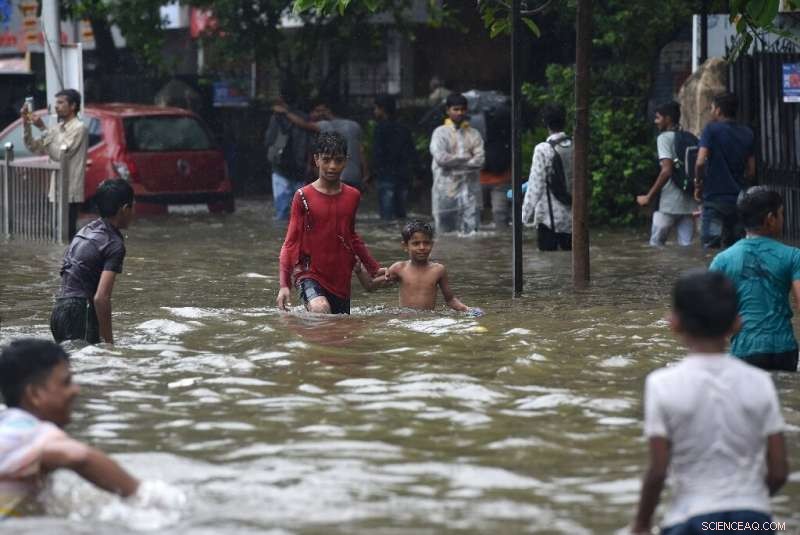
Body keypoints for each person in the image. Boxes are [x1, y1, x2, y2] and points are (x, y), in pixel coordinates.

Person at [631, 270, 788, 535]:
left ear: (674, 323)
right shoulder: (760, 382)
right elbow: (779, 472)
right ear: (737, 324)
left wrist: (642, 524)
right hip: (753, 520)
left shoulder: (662, 383)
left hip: (689, 519)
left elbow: (658, 472)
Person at [0, 338, 139, 517]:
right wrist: (146, 496)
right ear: (34, 394)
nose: (76, 390)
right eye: (66, 382)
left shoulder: (8, 425)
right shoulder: (31, 432)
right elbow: (78, 456)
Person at [277, 132, 383, 314]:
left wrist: (374, 268)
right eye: (326, 160)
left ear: (346, 161)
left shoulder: (353, 195)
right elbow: (291, 242)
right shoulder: (302, 196)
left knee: (338, 331)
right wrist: (284, 284)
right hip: (309, 272)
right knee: (321, 308)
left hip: (340, 276)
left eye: (338, 160)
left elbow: (351, 236)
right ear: (316, 160)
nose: (332, 167)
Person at [708, 187, 800, 372]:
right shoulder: (793, 256)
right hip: (784, 348)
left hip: (744, 349)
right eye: (781, 214)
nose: (783, 219)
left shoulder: (723, 260)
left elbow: (710, 312)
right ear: (770, 219)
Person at [49, 178, 135, 345]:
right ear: (125, 209)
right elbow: (101, 298)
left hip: (58, 310)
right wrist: (109, 344)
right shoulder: (113, 243)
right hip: (80, 312)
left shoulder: (86, 230)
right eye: (133, 206)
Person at [359, 220, 478, 314]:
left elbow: (450, 300)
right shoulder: (399, 269)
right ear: (405, 246)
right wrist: (359, 270)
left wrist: (468, 310)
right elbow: (370, 286)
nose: (422, 247)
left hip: (428, 321)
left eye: (426, 243)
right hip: (404, 320)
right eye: (416, 244)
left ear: (432, 244)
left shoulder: (438, 270)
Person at [21, 88, 89, 240]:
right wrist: (25, 124)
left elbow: (60, 154)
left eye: (60, 102)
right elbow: (33, 147)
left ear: (73, 106)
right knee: (55, 234)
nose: (56, 106)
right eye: (56, 102)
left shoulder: (79, 129)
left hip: (70, 191)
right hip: (55, 190)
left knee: (66, 236)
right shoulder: (56, 129)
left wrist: (42, 128)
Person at [694, 92, 756, 249]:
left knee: (710, 248)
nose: (711, 111)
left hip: (715, 202)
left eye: (712, 108)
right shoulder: (747, 133)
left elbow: (700, 162)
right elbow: (751, 171)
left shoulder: (711, 130)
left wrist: (698, 182)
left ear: (719, 110)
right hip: (738, 203)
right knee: (735, 250)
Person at [636, 101, 697, 246]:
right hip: (688, 204)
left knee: (656, 246)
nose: (655, 121)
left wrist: (649, 197)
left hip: (667, 204)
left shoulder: (663, 138)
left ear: (668, 118)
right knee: (686, 249)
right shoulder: (689, 137)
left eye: (658, 118)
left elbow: (666, 171)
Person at [273, 100, 368, 190]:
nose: (315, 114)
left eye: (319, 111)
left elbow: (303, 124)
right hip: (354, 176)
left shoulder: (325, 125)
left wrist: (286, 112)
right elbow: (361, 152)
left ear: (327, 111)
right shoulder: (355, 126)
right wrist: (365, 173)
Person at [429, 93, 485, 234]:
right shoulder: (439, 133)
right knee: (445, 235)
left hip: (470, 193)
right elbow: (441, 159)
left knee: (472, 234)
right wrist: (466, 158)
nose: (460, 113)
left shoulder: (474, 134)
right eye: (456, 109)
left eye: (462, 109)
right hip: (445, 192)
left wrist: (454, 161)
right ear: (448, 110)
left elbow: (480, 160)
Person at [522, 103, 573, 251]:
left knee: (548, 264)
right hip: (573, 219)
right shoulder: (575, 145)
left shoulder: (543, 149)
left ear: (545, 123)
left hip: (548, 219)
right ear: (565, 120)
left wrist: (524, 217)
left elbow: (535, 186)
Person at [264, 91, 313, 220]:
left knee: (282, 212)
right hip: (300, 168)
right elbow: (311, 145)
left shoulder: (277, 117)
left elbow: (269, 140)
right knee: (301, 214)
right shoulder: (305, 118)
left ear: (282, 101)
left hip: (281, 168)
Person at [372, 94, 417, 221]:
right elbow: (412, 153)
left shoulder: (379, 128)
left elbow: (377, 153)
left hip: (385, 176)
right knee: (400, 214)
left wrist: (372, 174)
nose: (374, 112)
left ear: (382, 109)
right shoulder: (404, 128)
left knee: (386, 218)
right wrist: (418, 174)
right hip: (402, 176)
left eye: (376, 108)